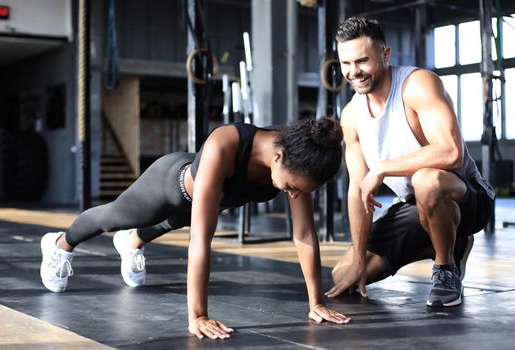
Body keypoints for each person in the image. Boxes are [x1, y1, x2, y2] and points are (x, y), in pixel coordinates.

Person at [40, 117, 351, 339]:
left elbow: (304, 234)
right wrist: (198, 315)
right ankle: (60, 245)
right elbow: (201, 240)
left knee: (176, 221)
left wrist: (317, 303)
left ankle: (132, 242)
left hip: (203, 203)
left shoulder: (300, 160)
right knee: (113, 218)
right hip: (168, 186)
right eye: (292, 188)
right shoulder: (227, 143)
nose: (293, 195)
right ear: (278, 158)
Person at [325, 17, 494, 308]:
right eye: (346, 63)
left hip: (467, 196)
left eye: (362, 61)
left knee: (426, 179)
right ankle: (448, 242)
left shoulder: (417, 85)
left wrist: (381, 168)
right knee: (345, 274)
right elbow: (357, 190)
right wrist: (358, 257)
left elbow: (451, 152)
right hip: (414, 205)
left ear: (385, 55)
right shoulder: (352, 114)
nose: (354, 72)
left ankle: (445, 269)